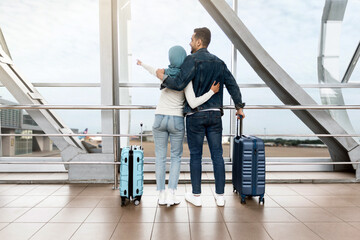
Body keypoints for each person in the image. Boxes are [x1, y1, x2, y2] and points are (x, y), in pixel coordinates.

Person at [156, 27, 245, 207]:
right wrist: (239, 106)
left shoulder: (192, 60)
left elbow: (180, 83)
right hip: (214, 115)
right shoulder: (219, 63)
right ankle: (220, 196)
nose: (189, 43)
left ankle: (196, 196)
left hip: (195, 116)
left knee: (195, 156)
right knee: (217, 156)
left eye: (191, 39)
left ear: (198, 42)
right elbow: (232, 84)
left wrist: (163, 78)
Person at [137, 45, 220, 206]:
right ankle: (172, 194)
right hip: (176, 120)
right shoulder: (185, 79)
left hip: (159, 118)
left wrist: (142, 64)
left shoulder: (164, 73)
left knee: (160, 157)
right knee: (175, 158)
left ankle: (161, 195)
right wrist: (211, 92)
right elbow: (194, 102)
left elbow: (152, 69)